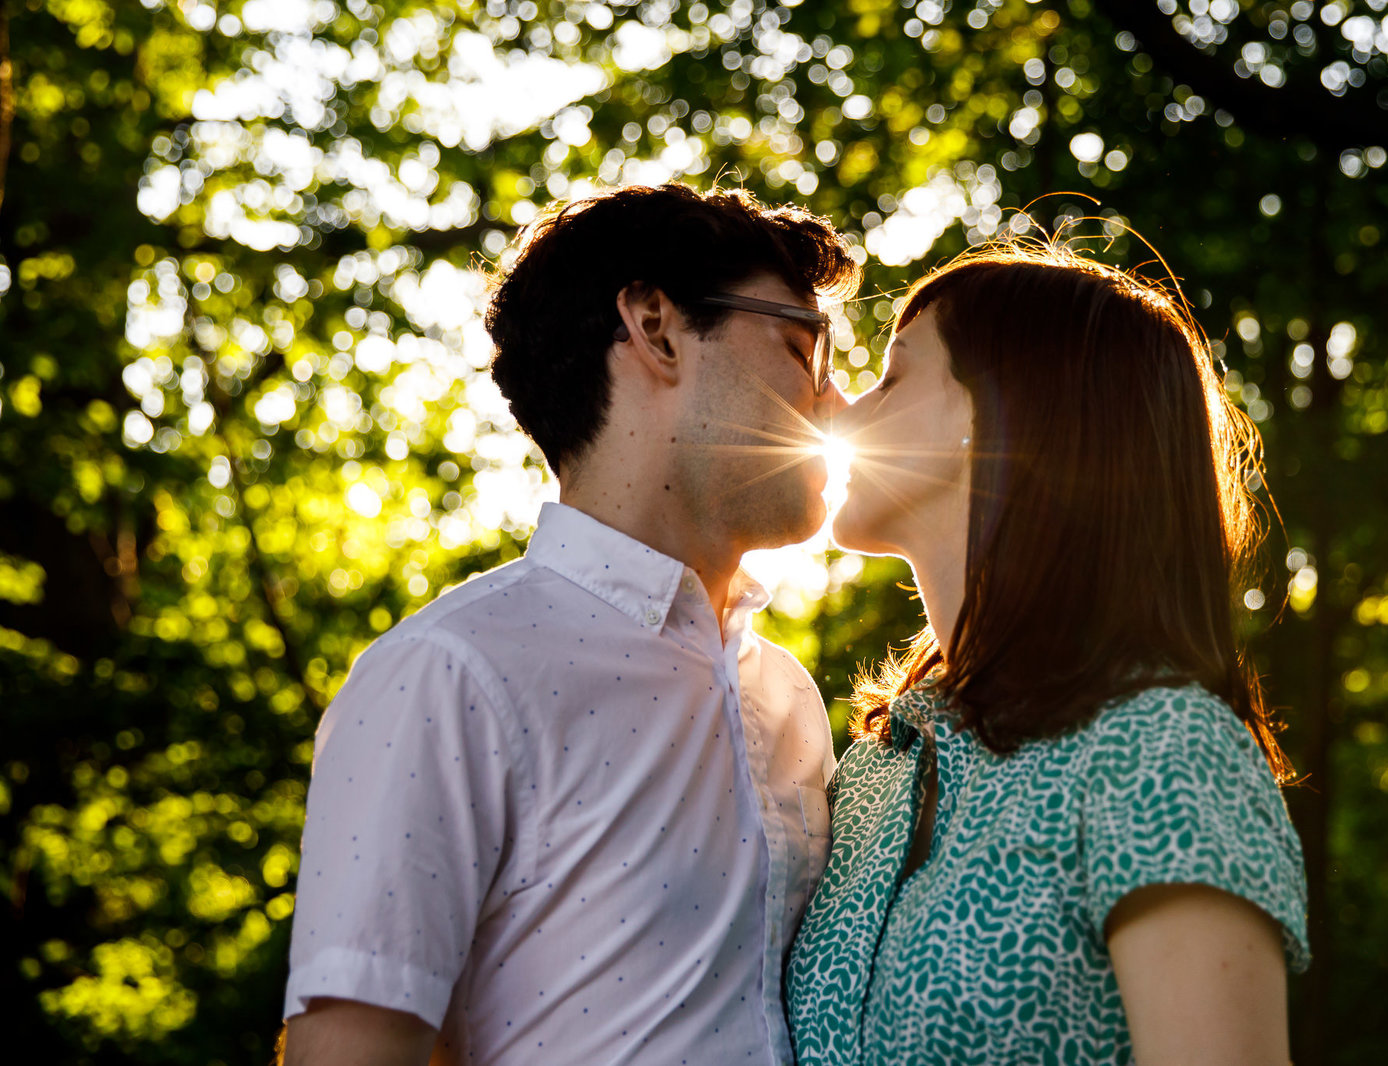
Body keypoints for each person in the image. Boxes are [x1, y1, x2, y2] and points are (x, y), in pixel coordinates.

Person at [279, 182, 860, 1065]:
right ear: (656, 328)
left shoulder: (787, 699)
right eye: (801, 347)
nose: (836, 404)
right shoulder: (448, 674)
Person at [786, 243, 1309, 1065]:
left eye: (892, 377)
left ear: (999, 414)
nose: (842, 413)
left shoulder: (1161, 753)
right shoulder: (873, 773)